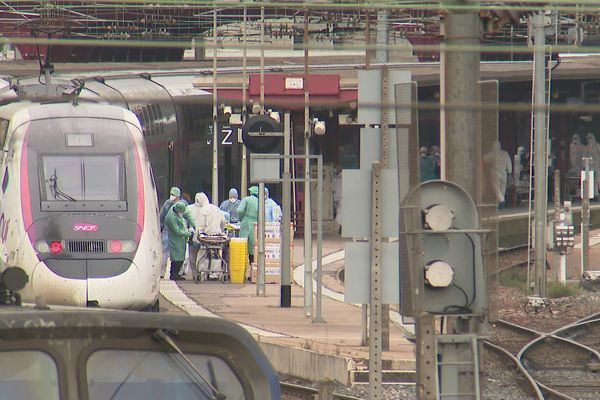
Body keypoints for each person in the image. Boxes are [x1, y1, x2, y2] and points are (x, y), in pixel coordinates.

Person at [187, 192, 227, 275]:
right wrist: (221, 231)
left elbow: (200, 226)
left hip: (206, 236)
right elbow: (223, 222)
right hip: (217, 236)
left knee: (202, 253)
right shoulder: (216, 208)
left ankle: (202, 272)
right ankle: (215, 273)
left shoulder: (202, 210)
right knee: (215, 254)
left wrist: (198, 234)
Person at [164, 201, 194, 281]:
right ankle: (173, 274)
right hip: (175, 238)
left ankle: (176, 273)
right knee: (176, 257)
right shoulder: (171, 217)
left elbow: (187, 215)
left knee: (181, 256)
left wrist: (193, 224)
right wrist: (188, 234)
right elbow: (177, 231)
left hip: (181, 238)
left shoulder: (180, 208)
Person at [237, 186, 259, 270]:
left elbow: (239, 210)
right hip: (255, 225)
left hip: (246, 223)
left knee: (242, 247)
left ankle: (242, 271)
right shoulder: (260, 202)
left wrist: (241, 218)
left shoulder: (246, 199)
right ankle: (253, 271)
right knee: (253, 249)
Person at [332, 165, 342, 233]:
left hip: (341, 197)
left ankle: (337, 228)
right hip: (336, 197)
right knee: (338, 212)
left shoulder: (342, 177)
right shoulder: (335, 177)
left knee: (339, 213)